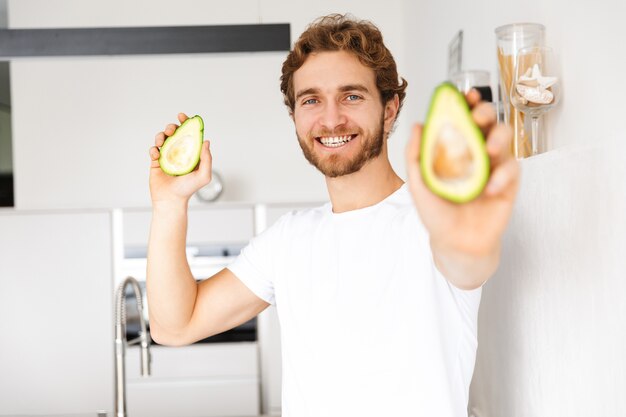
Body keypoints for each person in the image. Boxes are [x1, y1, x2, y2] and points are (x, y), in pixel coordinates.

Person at [146, 14, 519, 417]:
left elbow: (466, 257)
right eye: (311, 100)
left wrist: (471, 232)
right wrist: (169, 204)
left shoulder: (435, 217)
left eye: (352, 96)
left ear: (390, 109)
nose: (330, 119)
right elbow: (174, 326)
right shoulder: (287, 240)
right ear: (295, 118)